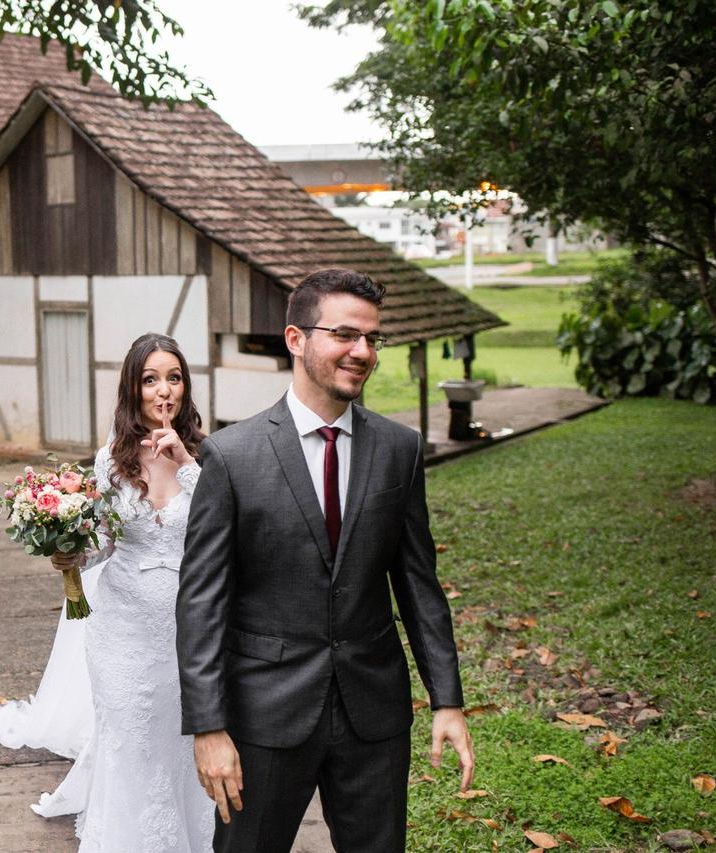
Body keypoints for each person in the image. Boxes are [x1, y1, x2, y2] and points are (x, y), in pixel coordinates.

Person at [176, 268, 476, 852]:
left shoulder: (400, 449)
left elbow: (418, 585)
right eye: (344, 334)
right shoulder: (232, 456)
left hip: (373, 714)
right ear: (296, 339)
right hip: (264, 715)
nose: (361, 351)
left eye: (371, 338)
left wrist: (447, 700)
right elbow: (202, 604)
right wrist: (208, 727)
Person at [0, 332, 215, 852]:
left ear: (186, 386)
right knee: (130, 739)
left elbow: (225, 531)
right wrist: (69, 552)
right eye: (150, 379)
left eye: (173, 378)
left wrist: (185, 467)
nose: (163, 391)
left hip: (190, 630)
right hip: (122, 629)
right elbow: (104, 543)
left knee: (181, 739)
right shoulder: (112, 460)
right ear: (132, 389)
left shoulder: (208, 455)